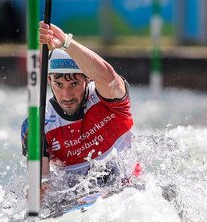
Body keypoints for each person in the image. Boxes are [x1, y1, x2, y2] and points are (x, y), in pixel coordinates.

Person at [21, 21, 134, 188]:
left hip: (129, 190)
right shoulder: (38, 124)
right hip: (77, 200)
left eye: (74, 84)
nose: (67, 96)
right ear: (49, 81)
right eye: (59, 85)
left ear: (87, 80)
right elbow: (41, 185)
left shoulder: (107, 99)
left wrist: (66, 43)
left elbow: (108, 77)